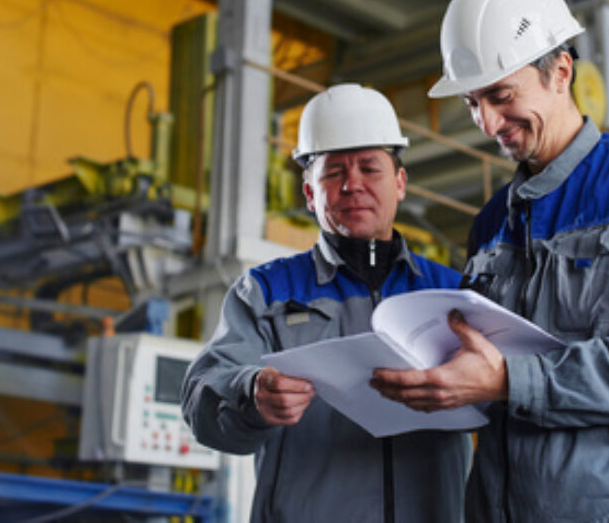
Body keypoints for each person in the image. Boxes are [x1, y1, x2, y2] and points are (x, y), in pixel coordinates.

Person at [370, 0, 609, 522]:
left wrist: (510, 379)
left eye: (501, 96)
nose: (487, 123)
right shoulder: (490, 224)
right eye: (472, 103)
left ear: (560, 71)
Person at [181, 83, 473, 523]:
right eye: (333, 172)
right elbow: (201, 398)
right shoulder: (265, 293)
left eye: (369, 168)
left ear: (400, 182)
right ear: (310, 194)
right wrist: (251, 394)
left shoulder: (454, 294)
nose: (352, 185)